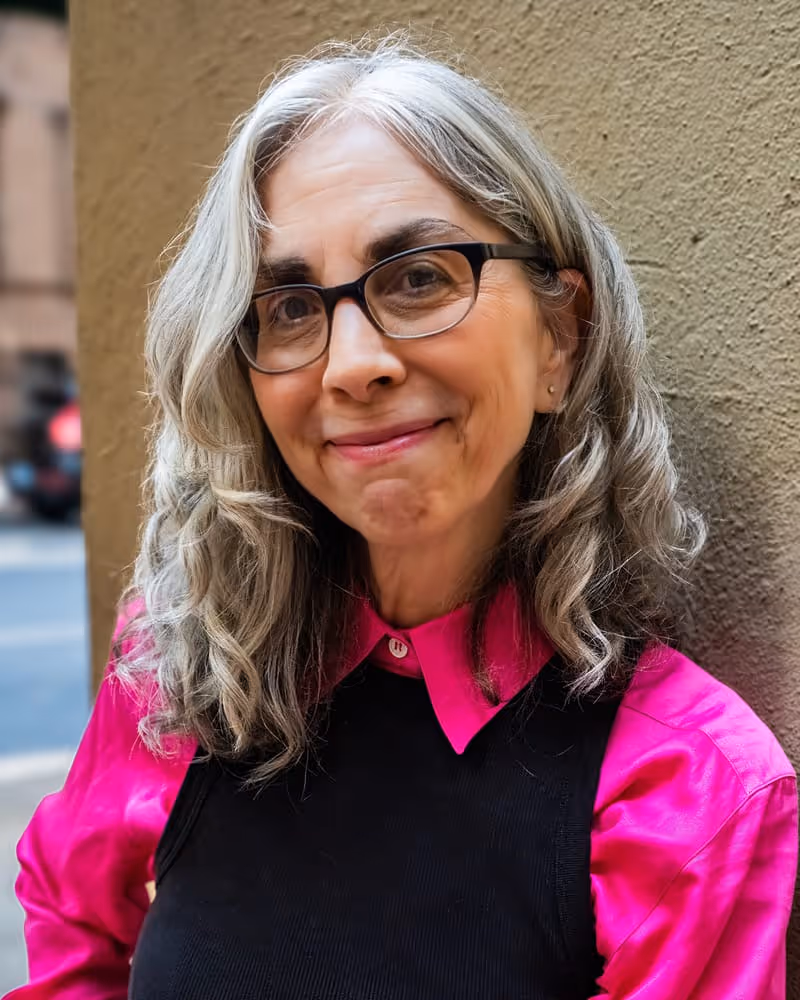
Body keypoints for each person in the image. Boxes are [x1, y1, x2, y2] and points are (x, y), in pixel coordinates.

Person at [8, 34, 797, 1000]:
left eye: (419, 277)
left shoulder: (683, 790)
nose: (350, 365)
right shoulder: (180, 678)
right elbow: (70, 928)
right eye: (290, 306)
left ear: (560, 335)